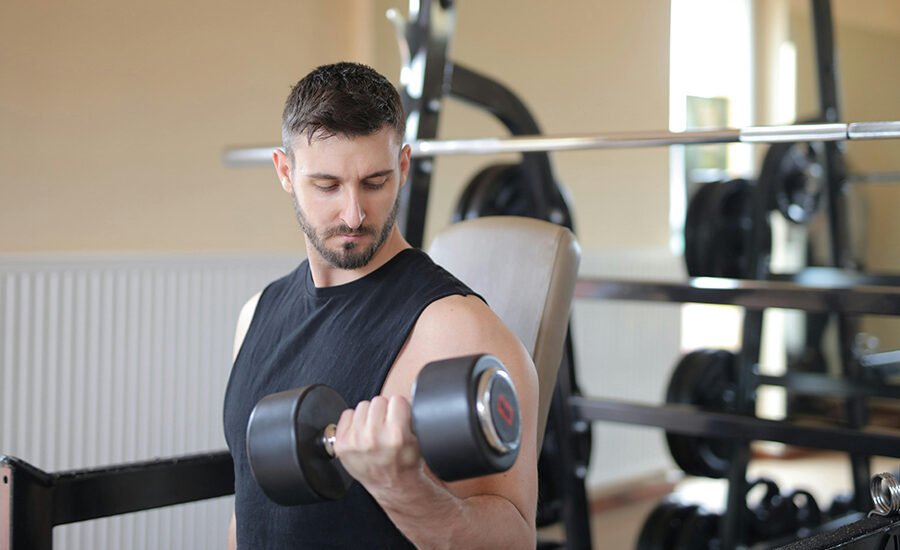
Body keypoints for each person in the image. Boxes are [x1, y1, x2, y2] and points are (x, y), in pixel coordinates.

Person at [223, 62, 538, 549]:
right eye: (327, 185)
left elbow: (514, 542)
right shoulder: (256, 314)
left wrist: (401, 487)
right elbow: (248, 511)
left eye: (374, 182)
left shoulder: (456, 331)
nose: (353, 215)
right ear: (285, 172)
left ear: (403, 167)